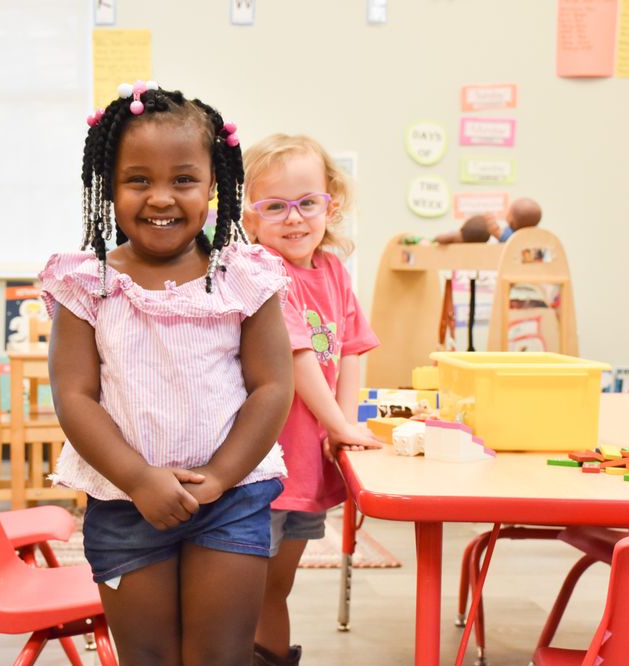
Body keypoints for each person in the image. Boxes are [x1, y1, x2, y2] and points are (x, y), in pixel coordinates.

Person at [41, 81, 295, 666]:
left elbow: (272, 386)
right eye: (138, 180)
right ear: (109, 187)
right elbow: (74, 395)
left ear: (213, 186)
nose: (160, 198)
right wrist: (138, 479)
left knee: (220, 656)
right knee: (148, 657)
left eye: (183, 179)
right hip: (125, 500)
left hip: (232, 496)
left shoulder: (245, 276)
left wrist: (220, 475)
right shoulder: (87, 281)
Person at [242, 134, 381, 665]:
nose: (293, 218)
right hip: (265, 462)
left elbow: (351, 349)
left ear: (332, 203)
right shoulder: (262, 272)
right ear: (251, 220)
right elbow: (297, 358)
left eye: (307, 203)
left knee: (276, 586)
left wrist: (341, 427)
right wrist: (340, 427)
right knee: (247, 584)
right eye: (274, 207)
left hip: (308, 458)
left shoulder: (333, 271)